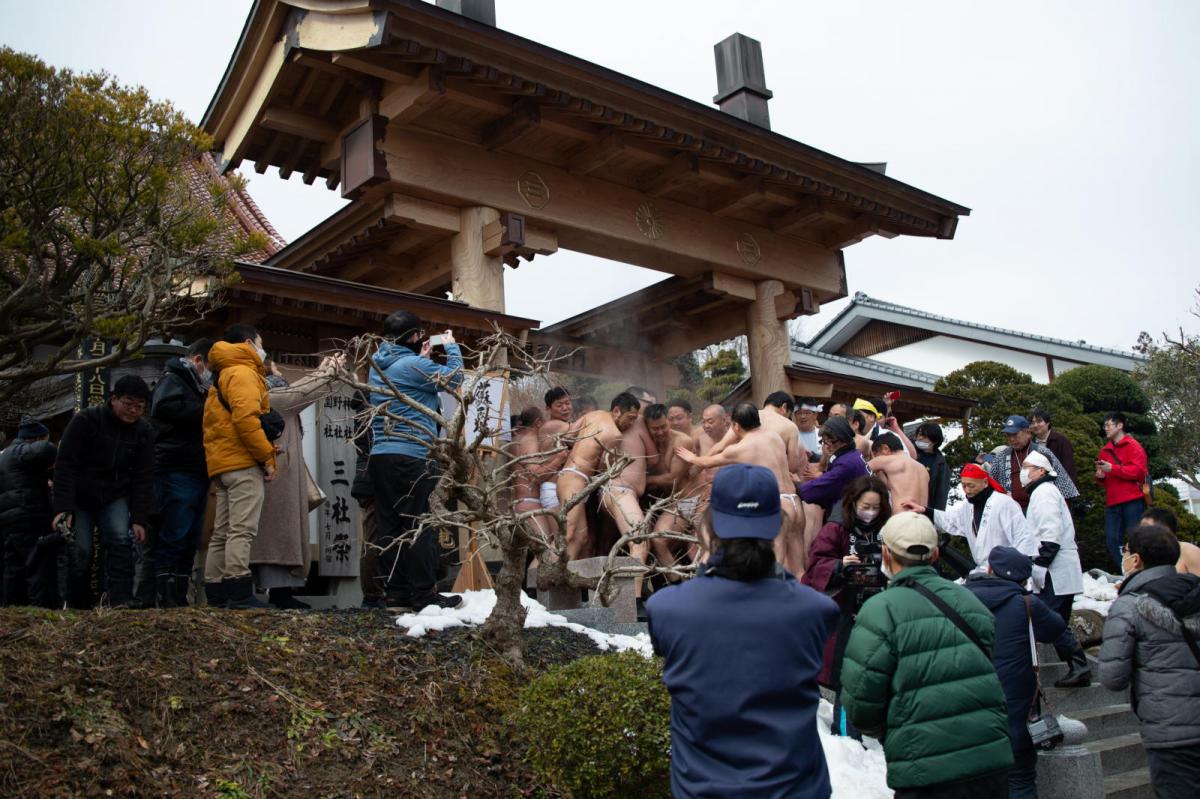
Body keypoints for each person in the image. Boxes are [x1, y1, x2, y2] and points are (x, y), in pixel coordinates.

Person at [646, 463, 839, 799]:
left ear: (708, 525)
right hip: (795, 788)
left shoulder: (667, 609)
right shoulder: (817, 610)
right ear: (779, 523)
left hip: (703, 789)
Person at [840, 512, 1013, 798]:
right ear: (934, 555)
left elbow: (861, 698)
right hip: (989, 756)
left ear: (885, 553)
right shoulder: (968, 599)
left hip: (925, 765)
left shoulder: (881, 608)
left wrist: (890, 729)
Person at [368, 311, 464, 612]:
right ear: (413, 336)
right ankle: (424, 594)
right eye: (420, 334)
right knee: (421, 524)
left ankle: (396, 595)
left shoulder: (377, 366)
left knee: (391, 526)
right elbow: (454, 378)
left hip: (381, 456)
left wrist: (421, 359)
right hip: (412, 454)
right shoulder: (414, 364)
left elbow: (412, 382)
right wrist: (450, 345)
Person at [1099, 524, 1200, 799]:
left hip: (1169, 730)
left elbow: (1112, 677)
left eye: (1127, 551)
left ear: (1137, 559)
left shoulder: (1129, 606)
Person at [964, 546, 1069, 799]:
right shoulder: (1027, 604)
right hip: (1016, 716)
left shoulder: (959, 599)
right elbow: (1057, 628)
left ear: (989, 569)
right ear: (1023, 579)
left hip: (968, 716)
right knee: (1020, 781)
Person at [53, 375, 156, 608]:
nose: (133, 410)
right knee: (80, 550)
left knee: (121, 541)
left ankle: (121, 600)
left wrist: (140, 518)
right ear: (113, 399)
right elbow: (65, 465)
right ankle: (77, 603)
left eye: (140, 406)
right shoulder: (87, 420)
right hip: (81, 494)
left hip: (116, 495)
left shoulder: (144, 431)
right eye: (128, 403)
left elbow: (144, 477)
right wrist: (62, 509)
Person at [801, 475, 892, 739]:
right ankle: (844, 732)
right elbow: (816, 563)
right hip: (842, 608)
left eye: (876, 507)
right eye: (866, 506)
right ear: (853, 503)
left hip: (878, 605)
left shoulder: (887, 528)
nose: (870, 513)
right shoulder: (836, 527)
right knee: (841, 670)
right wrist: (841, 566)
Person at [251, 355, 343, 608]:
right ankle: (279, 594)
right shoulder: (274, 397)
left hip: (277, 477)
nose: (282, 374)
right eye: (278, 370)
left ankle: (277, 592)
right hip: (277, 478)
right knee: (277, 537)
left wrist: (323, 370)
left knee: (275, 536)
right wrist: (329, 372)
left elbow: (300, 390)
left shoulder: (267, 398)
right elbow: (301, 392)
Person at [202, 325, 280, 609]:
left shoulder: (221, 373)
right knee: (241, 530)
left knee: (221, 531)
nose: (263, 350)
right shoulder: (244, 372)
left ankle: (216, 589)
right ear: (248, 343)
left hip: (222, 464)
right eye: (260, 343)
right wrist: (266, 457)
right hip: (244, 462)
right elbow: (247, 421)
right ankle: (238, 589)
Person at [676, 403, 802, 575]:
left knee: (775, 565)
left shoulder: (741, 448)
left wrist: (691, 457)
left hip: (777, 504)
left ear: (735, 425)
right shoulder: (774, 437)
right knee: (798, 567)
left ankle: (772, 599)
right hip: (794, 500)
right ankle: (803, 597)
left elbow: (707, 462)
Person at [148, 337, 213, 608]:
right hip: (176, 466)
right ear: (198, 360)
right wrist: (208, 410)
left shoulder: (195, 385)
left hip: (196, 468)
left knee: (190, 536)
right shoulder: (173, 378)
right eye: (211, 365)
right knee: (175, 531)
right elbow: (163, 408)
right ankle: (167, 595)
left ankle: (179, 593)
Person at [1022, 450, 1091, 687]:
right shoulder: (1045, 492)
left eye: (1027, 467)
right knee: (1056, 619)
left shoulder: (1044, 493)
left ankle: (1079, 665)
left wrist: (1041, 563)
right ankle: (1078, 666)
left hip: (1054, 567)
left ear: (1041, 470)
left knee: (1049, 621)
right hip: (1058, 566)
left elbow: (1050, 534)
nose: (1023, 472)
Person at [902, 463, 1034, 575]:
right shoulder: (968, 506)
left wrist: (1018, 570)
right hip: (982, 570)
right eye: (963, 486)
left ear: (985, 482)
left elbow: (1022, 538)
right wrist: (925, 511)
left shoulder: (1004, 503)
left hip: (1006, 570)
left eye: (971, 486)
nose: (967, 491)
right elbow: (952, 520)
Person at [556, 393, 641, 559]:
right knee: (568, 532)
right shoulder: (615, 434)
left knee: (581, 537)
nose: (631, 423)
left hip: (567, 475)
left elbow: (568, 436)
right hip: (576, 479)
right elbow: (603, 470)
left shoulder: (593, 415)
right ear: (616, 410)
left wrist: (581, 450)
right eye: (630, 418)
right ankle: (549, 576)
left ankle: (564, 579)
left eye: (634, 419)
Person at [0, 419, 57, 606]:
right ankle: (41, 611)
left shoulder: (4, 456)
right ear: (38, 437)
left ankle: (13, 609)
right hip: (29, 515)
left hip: (8, 519)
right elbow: (45, 449)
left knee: (13, 569)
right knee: (38, 566)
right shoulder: (20, 451)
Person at [988, 415, 1078, 511]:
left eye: (1015, 434)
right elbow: (989, 482)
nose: (1012, 439)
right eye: (1008, 435)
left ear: (1027, 432)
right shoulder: (1001, 456)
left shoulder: (1043, 452)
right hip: (1011, 511)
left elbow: (1064, 485)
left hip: (1041, 508)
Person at [1096, 411, 1149, 568]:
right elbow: (1103, 481)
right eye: (1104, 425)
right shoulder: (1104, 450)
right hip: (1112, 501)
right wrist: (1100, 475)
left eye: (1108, 425)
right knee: (1112, 539)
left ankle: (1140, 570)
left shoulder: (1133, 446)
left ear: (1120, 425)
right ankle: (1125, 569)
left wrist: (1113, 468)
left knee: (1136, 538)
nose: (1105, 428)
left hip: (1132, 500)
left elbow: (1139, 472)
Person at [797, 417, 869, 528]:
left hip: (853, 521)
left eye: (830, 441)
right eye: (824, 442)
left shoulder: (846, 464)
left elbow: (818, 488)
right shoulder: (853, 454)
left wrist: (796, 485)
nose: (827, 445)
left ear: (843, 440)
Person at [866, 432, 929, 509]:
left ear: (885, 449)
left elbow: (857, 469)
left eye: (876, 455)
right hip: (923, 518)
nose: (875, 458)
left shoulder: (886, 460)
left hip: (901, 517)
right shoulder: (922, 468)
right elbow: (893, 488)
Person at [1140, 508, 1200, 576]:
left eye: (1146, 528)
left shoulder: (1189, 551)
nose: (1142, 533)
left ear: (1166, 528)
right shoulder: (1147, 555)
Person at [1029, 409, 1078, 486]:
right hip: (1038, 488)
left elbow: (1069, 467)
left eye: (1039, 421)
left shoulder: (1060, 440)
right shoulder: (1030, 444)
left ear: (1048, 423)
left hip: (1061, 487)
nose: (1035, 425)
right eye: (1032, 423)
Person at [913, 421, 950, 511]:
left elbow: (941, 494)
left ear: (934, 441)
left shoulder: (941, 465)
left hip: (926, 507)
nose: (920, 438)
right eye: (919, 434)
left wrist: (936, 515)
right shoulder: (911, 452)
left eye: (924, 436)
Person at [793, 398, 823, 463]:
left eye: (807, 413)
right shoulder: (790, 434)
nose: (802, 416)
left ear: (815, 415)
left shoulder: (823, 436)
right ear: (795, 416)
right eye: (799, 413)